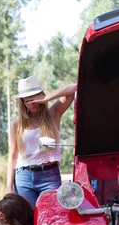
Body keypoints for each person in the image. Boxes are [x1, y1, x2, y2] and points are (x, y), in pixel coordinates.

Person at [6, 76, 76, 208]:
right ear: (23, 103)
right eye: (27, 100)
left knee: (51, 217)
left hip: (49, 176)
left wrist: (46, 98)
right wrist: (9, 187)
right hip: (23, 177)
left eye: (34, 98)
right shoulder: (17, 124)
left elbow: (74, 88)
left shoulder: (52, 115)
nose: (31, 103)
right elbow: (12, 156)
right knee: (27, 221)